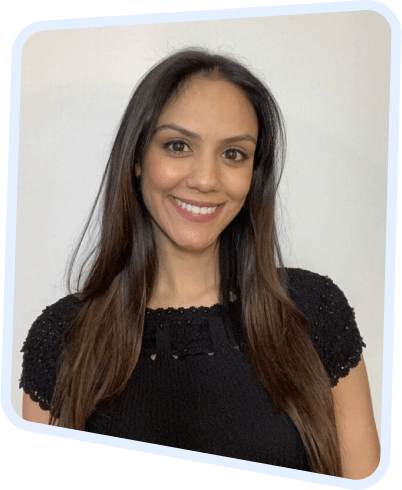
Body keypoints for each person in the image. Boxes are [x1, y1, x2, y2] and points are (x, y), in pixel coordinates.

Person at [20, 47, 380, 478]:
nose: (206, 179)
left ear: (254, 174)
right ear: (137, 159)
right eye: (178, 146)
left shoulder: (315, 310)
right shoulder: (62, 340)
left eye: (233, 154)